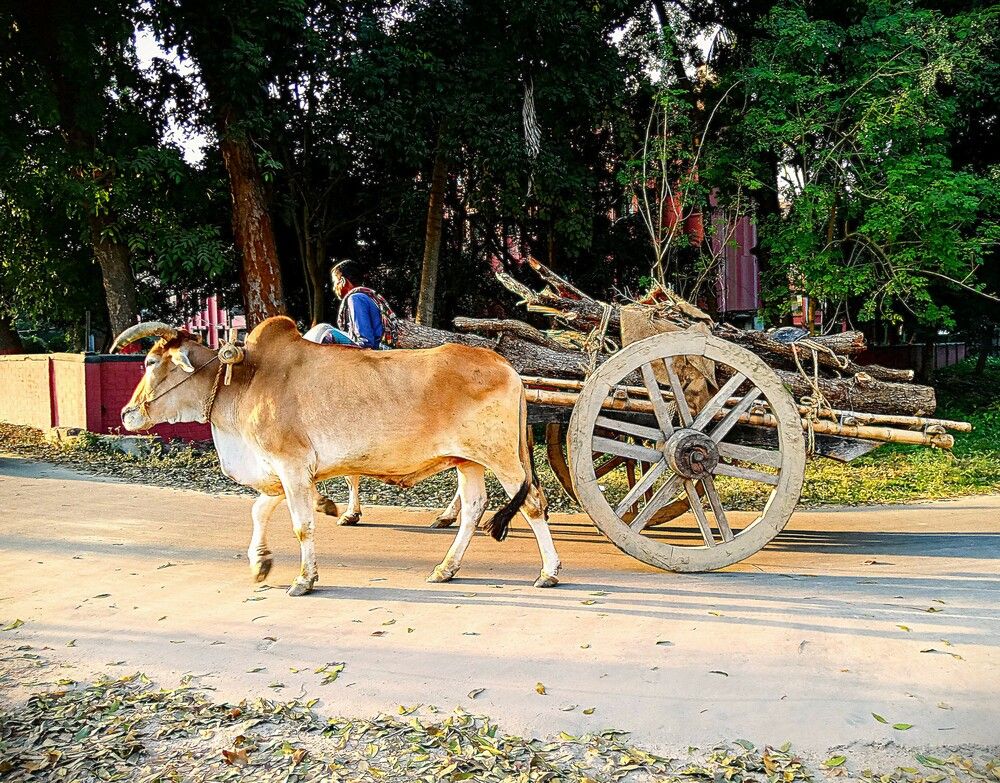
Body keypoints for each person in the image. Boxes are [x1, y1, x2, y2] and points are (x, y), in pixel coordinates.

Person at [302, 260, 397, 349]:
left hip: (373, 350)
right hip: (376, 347)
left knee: (326, 332)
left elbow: (366, 342)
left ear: (343, 281)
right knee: (323, 328)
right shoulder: (364, 297)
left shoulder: (355, 298)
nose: (334, 288)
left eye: (335, 282)